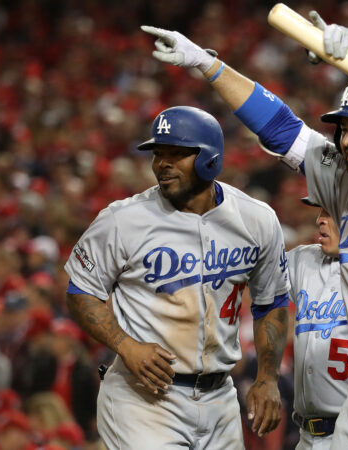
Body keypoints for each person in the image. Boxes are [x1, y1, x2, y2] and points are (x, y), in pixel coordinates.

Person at [143, 10, 348, 449]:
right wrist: (208, 65)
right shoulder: (343, 182)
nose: (346, 139)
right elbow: (280, 128)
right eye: (342, 129)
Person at [64, 105, 290, 449]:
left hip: (220, 396)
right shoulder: (123, 219)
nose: (162, 164)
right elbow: (81, 291)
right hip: (143, 398)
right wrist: (125, 345)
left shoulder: (256, 219)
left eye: (176, 154)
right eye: (158, 154)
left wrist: (267, 377)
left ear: (211, 158)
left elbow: (271, 302)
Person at [288, 198, 348, 449]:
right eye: (320, 212)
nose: (319, 220)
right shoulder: (303, 260)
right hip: (306, 435)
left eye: (330, 212)